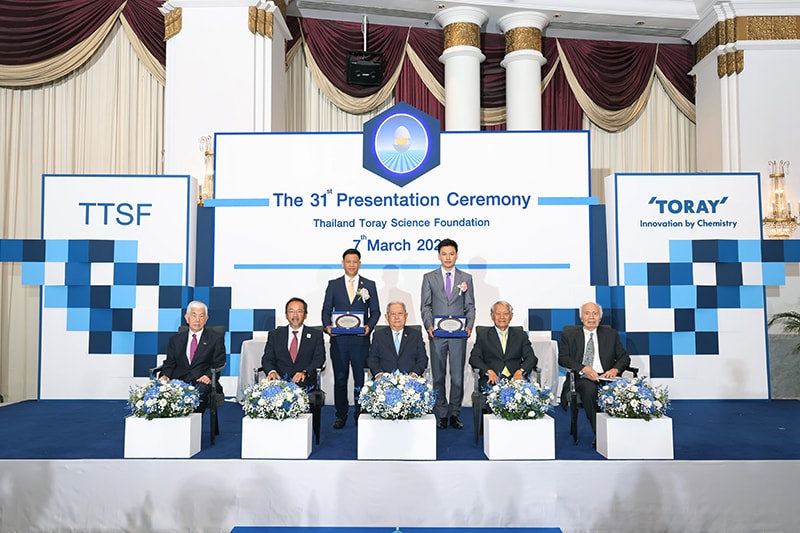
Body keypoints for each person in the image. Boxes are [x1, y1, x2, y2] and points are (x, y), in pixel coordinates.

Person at [322, 248, 381, 429]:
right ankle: (341, 415)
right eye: (348, 261)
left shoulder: (368, 285)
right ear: (343, 263)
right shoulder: (333, 284)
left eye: (355, 261)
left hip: (360, 342)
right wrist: (327, 327)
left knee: (360, 380)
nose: (352, 265)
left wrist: (369, 327)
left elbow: (376, 311)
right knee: (340, 379)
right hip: (338, 341)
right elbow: (326, 310)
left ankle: (360, 413)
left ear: (359, 264)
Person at [420, 238, 475, 430]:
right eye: (444, 254)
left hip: (459, 336)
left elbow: (470, 306)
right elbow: (425, 306)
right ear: (439, 256)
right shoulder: (429, 277)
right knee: (438, 376)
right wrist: (429, 325)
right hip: (437, 335)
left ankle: (455, 413)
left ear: (456, 255)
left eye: (451, 254)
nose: (448, 257)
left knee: (457, 377)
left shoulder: (466, 278)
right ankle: (441, 413)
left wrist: (469, 326)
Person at [558, 301, 631, 445]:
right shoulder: (569, 334)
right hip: (581, 377)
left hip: (606, 377)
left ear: (600, 317)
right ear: (581, 318)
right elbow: (563, 358)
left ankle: (625, 434)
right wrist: (584, 368)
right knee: (589, 389)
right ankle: (602, 434)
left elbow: (624, 358)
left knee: (627, 392)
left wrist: (614, 370)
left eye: (595, 313)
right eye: (587, 313)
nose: (591, 317)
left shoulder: (611, 334)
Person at [161, 301, 227, 412]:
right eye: (194, 315)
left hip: (201, 379)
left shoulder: (215, 338)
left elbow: (219, 362)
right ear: (187, 318)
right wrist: (166, 375)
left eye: (201, 316)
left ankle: (193, 425)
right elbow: (170, 362)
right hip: (179, 379)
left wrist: (209, 376)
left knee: (201, 390)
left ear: (206, 319)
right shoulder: (176, 339)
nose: (197, 320)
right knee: (163, 389)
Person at [469, 301, 538, 391]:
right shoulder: (483, 335)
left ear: (511, 316)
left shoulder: (520, 334)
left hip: (516, 378)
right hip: (492, 379)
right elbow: (474, 358)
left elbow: (531, 358)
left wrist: (520, 371)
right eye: (498, 313)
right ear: (492, 316)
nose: (502, 317)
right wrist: (488, 371)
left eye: (505, 313)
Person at [261, 297, 326, 388]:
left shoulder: (316, 335)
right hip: (279, 383)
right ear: (286, 315)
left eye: (299, 311)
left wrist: (305, 372)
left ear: (305, 315)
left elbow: (319, 360)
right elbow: (267, 358)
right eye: (291, 311)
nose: (295, 315)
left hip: (305, 384)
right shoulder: (275, 335)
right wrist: (272, 372)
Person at [367, 301, 428, 378]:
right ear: (387, 316)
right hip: (385, 381)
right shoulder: (379, 335)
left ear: (406, 315)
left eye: (400, 313)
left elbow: (422, 359)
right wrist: (379, 374)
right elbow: (372, 359)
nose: (397, 317)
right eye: (393, 314)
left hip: (410, 381)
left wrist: (414, 374)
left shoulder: (415, 335)